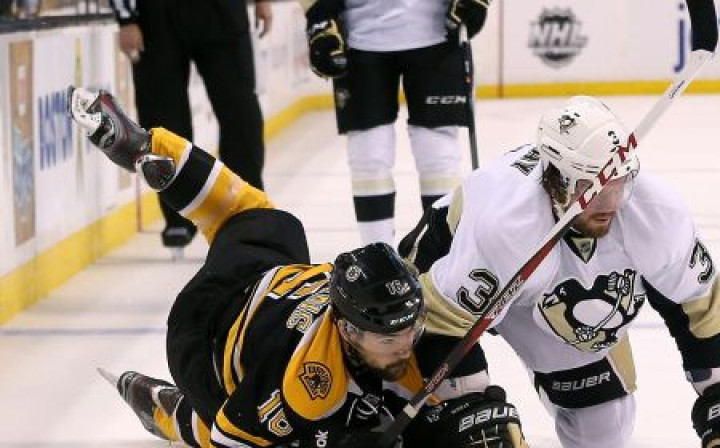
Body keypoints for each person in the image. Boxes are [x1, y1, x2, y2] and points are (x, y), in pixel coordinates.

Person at [66, 86, 527, 448]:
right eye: (390, 339)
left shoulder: (403, 329)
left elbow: (462, 392)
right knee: (247, 426)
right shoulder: (308, 385)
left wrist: (471, 406)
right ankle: (170, 411)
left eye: (410, 329)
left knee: (269, 222)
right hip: (205, 333)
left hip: (268, 274)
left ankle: (147, 148)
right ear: (349, 332)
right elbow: (231, 439)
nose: (407, 344)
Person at [399, 96, 720, 448]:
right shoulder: (506, 226)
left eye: (619, 185)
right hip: (448, 281)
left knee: (605, 425)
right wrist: (473, 406)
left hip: (542, 290)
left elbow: (694, 303)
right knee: (470, 433)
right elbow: (442, 324)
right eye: (592, 190)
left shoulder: (656, 212)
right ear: (555, 178)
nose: (610, 204)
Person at [301, 0, 490, 245]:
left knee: (438, 155)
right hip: (360, 38)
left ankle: (442, 254)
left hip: (439, 33)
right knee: (368, 156)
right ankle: (376, 254)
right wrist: (319, 16)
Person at [110, 0, 271, 249]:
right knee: (163, 118)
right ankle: (179, 215)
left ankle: (247, 212)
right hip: (156, 15)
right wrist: (126, 19)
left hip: (222, 12)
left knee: (240, 112)